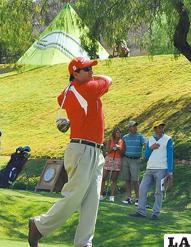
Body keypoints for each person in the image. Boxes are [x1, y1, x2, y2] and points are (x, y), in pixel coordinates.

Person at [28, 57, 112, 247]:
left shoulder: (72, 90)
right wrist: (83, 81)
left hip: (94, 151)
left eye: (91, 68)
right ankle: (39, 226)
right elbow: (109, 79)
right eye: (86, 69)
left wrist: (75, 82)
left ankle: (83, 243)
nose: (91, 72)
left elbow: (62, 98)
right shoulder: (87, 88)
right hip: (83, 150)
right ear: (75, 73)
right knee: (74, 196)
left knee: (92, 201)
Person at [129, 121, 173, 220]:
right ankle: (141, 212)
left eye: (162, 127)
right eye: (158, 127)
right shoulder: (151, 139)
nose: (161, 129)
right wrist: (151, 148)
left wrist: (170, 171)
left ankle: (155, 213)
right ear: (155, 129)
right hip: (149, 169)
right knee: (142, 189)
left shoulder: (168, 139)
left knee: (158, 192)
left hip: (162, 169)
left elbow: (170, 156)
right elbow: (146, 155)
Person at [121, 120, 147, 206]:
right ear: (129, 128)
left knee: (135, 180)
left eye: (136, 126)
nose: (135, 127)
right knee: (127, 179)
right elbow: (122, 148)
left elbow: (146, 144)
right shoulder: (125, 137)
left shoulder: (140, 136)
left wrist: (146, 152)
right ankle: (128, 198)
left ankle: (138, 199)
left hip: (135, 160)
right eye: (133, 126)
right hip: (125, 159)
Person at [100, 127, 125, 202]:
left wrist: (119, 148)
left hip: (117, 160)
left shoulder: (122, 141)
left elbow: (122, 153)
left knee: (114, 179)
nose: (118, 133)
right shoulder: (110, 140)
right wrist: (113, 148)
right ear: (114, 133)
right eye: (117, 132)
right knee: (104, 177)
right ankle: (101, 194)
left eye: (119, 132)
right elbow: (107, 150)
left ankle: (112, 196)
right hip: (109, 159)